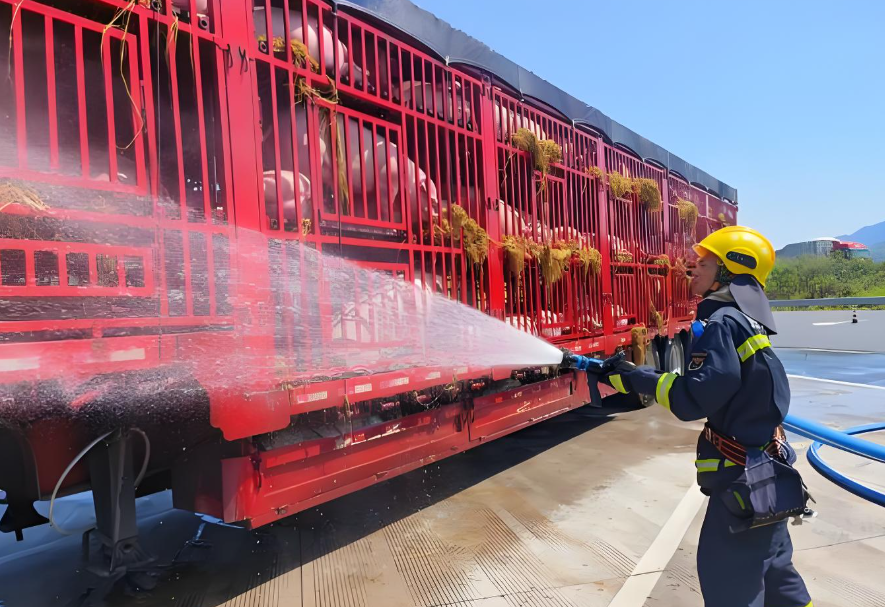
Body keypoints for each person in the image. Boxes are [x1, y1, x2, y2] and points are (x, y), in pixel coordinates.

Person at [601, 226, 813, 607]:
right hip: (767, 474)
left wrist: (637, 378)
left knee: (729, 581)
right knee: (779, 578)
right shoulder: (746, 322)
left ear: (731, 271)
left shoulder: (721, 324)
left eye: (703, 263)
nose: (692, 270)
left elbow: (695, 397)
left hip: (741, 482)